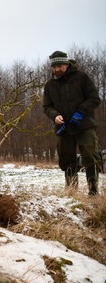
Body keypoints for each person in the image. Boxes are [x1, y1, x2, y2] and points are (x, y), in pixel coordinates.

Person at [43, 50, 102, 195]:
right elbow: (47, 107)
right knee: (67, 160)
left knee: (90, 158)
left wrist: (80, 113)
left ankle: (93, 192)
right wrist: (55, 116)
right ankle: (71, 192)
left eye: (60, 66)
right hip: (63, 128)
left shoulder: (82, 78)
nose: (57, 69)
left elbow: (94, 98)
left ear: (67, 64)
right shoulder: (49, 85)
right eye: (54, 67)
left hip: (85, 126)